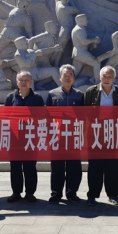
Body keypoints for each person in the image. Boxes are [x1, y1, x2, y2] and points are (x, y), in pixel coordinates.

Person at [84, 66, 118, 207]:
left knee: (112, 165)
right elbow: (86, 113)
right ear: (99, 77)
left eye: (109, 77)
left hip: (112, 133)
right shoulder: (91, 92)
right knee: (94, 165)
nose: (107, 79)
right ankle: (92, 195)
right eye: (104, 76)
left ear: (114, 79)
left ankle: (113, 194)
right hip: (95, 132)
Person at [46, 64, 85, 203]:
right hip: (57, 137)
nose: (67, 77)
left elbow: (83, 118)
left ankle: (72, 192)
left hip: (73, 137)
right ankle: (56, 193)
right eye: (65, 75)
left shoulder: (80, 95)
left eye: (70, 75)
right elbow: (47, 116)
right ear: (60, 77)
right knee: (57, 167)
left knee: (74, 167)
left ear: (74, 78)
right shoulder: (52, 94)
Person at [4, 71, 45, 203]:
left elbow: (42, 118)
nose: (24, 82)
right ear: (17, 82)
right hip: (14, 138)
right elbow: (5, 118)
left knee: (30, 166)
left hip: (31, 138)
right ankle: (16, 192)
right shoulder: (10, 98)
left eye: (26, 80)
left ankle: (30, 192)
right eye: (21, 80)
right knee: (15, 166)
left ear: (31, 82)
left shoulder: (38, 98)